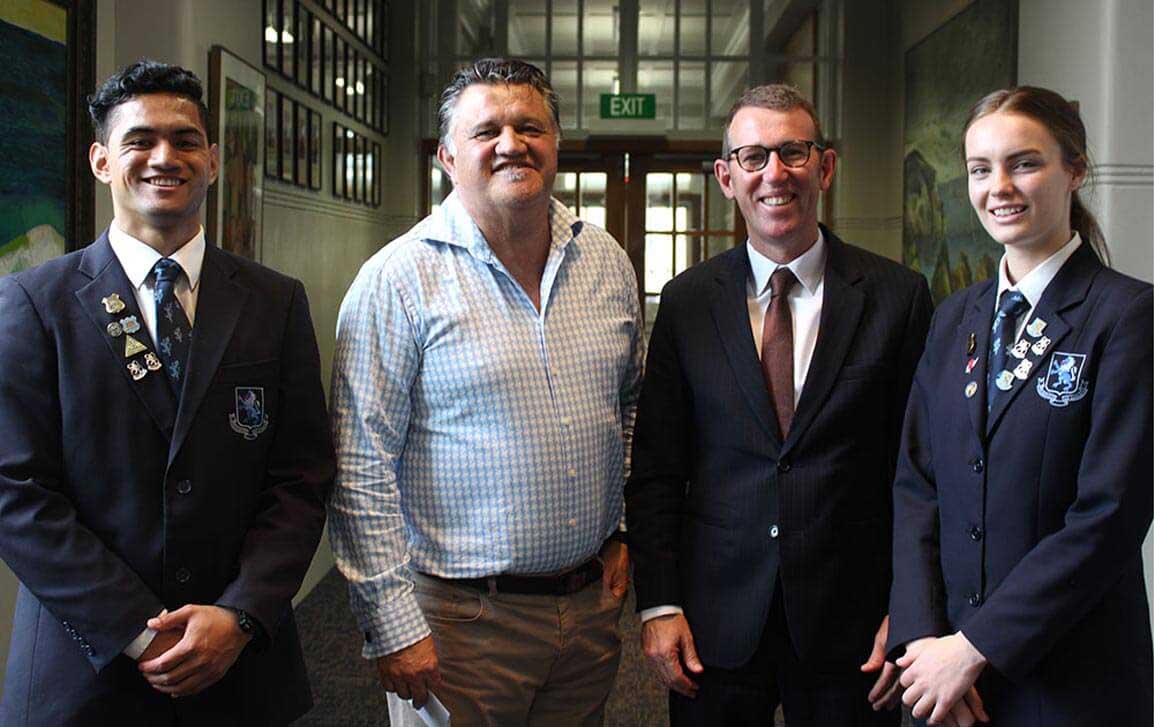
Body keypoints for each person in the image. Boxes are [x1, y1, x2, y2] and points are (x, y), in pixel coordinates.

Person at [0, 60, 334, 726]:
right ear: (101, 161)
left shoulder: (275, 301)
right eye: (140, 141)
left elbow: (301, 476)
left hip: (240, 668)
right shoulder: (35, 302)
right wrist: (137, 628)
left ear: (212, 159)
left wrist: (239, 614)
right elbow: (15, 489)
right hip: (85, 671)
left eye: (184, 141)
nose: (164, 157)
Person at [328, 58, 643, 726]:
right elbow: (359, 467)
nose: (510, 143)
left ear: (555, 144)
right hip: (458, 625)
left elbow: (630, 407)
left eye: (530, 126)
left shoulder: (607, 262)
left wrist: (622, 527)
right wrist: (391, 623)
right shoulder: (397, 279)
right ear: (447, 155)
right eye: (487, 130)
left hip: (587, 615)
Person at [626, 83, 933, 726]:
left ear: (825, 166)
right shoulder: (687, 303)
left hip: (854, 627)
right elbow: (656, 467)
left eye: (793, 152)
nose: (775, 174)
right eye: (753, 156)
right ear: (725, 177)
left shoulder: (897, 297)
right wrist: (659, 604)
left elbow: (919, 474)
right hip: (715, 622)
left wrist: (910, 609)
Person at [887, 86, 1153, 727]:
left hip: (1069, 684)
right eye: (981, 169)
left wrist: (977, 648)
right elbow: (917, 487)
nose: (998, 186)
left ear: (1076, 169)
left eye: (1024, 163)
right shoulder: (955, 317)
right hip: (945, 682)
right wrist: (923, 642)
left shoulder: (1127, 316)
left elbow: (1109, 515)